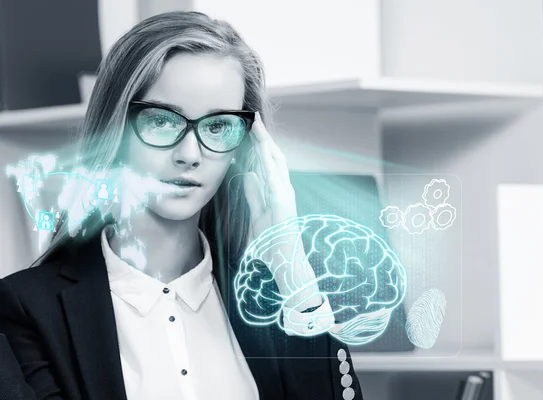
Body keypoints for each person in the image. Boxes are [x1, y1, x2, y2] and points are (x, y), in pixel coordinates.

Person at [0, 11, 363, 400]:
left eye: (219, 126)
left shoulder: (273, 306)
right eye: (162, 121)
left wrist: (290, 264)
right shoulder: (27, 309)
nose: (190, 154)